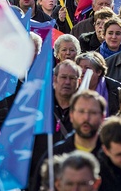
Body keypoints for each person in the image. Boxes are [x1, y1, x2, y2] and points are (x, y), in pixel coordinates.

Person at [28, 60, 81, 190]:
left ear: (78, 82)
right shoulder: (37, 106)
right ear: (54, 79)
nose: (67, 82)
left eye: (72, 78)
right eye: (63, 77)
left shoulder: (83, 110)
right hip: (40, 178)